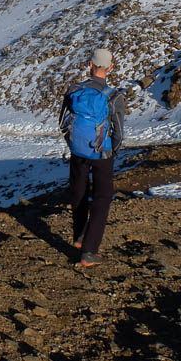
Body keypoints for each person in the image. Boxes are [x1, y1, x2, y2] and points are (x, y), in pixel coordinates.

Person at [59, 47, 125, 267]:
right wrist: (113, 151)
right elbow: (118, 131)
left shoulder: (74, 90)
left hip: (78, 150)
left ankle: (79, 236)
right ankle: (89, 252)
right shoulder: (113, 97)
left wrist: (73, 144)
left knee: (78, 191)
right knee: (102, 197)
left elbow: (62, 122)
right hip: (102, 153)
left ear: (90, 65)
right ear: (110, 68)